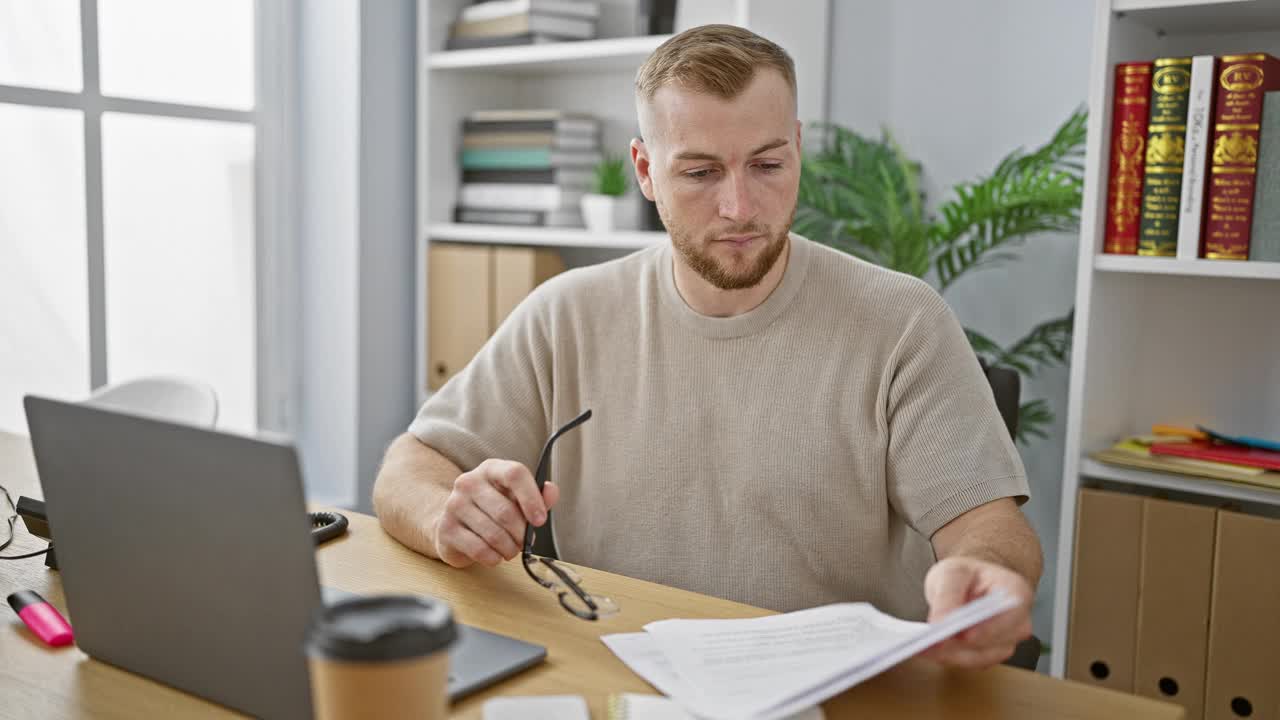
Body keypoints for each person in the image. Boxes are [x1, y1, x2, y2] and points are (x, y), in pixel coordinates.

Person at [375, 24, 1041, 669]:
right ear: (644, 170)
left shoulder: (900, 321)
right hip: (620, 677)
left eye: (768, 164)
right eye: (699, 173)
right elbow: (410, 465)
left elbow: (988, 527)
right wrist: (446, 515)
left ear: (798, 150)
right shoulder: (567, 313)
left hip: (836, 693)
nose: (739, 207)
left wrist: (986, 576)